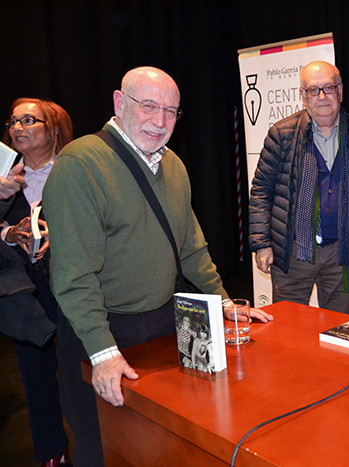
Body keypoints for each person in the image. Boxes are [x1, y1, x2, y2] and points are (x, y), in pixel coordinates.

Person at [42, 66, 273, 467]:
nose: (161, 121)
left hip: (164, 328)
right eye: (148, 106)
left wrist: (221, 302)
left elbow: (192, 248)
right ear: (119, 102)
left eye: (171, 111)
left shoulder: (174, 167)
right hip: (102, 332)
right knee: (104, 449)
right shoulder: (80, 164)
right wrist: (102, 353)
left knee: (162, 444)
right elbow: (74, 276)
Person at [249, 61, 349, 315]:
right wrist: (261, 244)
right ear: (303, 96)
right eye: (313, 90)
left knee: (340, 331)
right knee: (288, 330)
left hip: (344, 252)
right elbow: (261, 191)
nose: (322, 97)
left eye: (328, 88)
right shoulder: (281, 134)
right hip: (293, 251)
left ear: (340, 91)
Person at [2, 98, 73, 467]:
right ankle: (53, 456)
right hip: (22, 291)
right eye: (14, 121)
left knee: (80, 374)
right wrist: (10, 233)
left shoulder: (73, 169)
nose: (18, 127)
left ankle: (98, 447)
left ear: (53, 128)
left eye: (29, 120)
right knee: (35, 378)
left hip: (69, 284)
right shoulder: (3, 176)